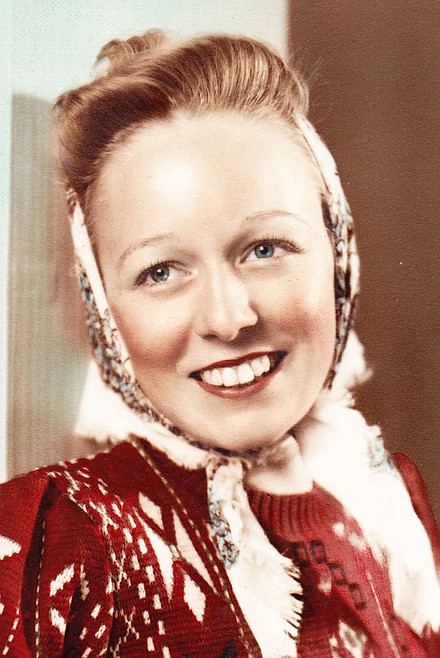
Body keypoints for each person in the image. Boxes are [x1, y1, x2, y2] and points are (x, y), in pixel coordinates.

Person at [0, 30, 439, 657]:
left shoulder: (390, 501)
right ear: (102, 306)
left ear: (337, 253)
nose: (230, 319)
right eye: (160, 272)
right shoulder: (59, 537)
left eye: (265, 249)